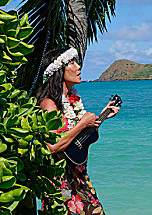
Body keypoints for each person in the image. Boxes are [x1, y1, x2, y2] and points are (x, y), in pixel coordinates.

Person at [37, 48, 120, 215]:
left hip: (80, 178)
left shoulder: (73, 101)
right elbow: (52, 146)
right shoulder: (49, 104)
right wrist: (82, 124)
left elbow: (77, 141)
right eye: (72, 63)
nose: (78, 67)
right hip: (61, 183)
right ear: (59, 71)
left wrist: (102, 116)